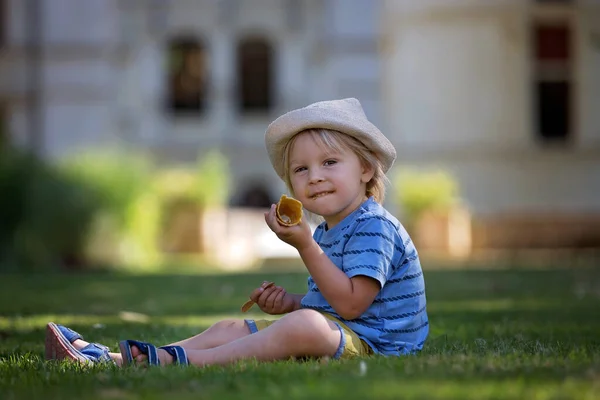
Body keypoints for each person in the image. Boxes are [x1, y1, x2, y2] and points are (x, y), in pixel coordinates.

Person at [45, 97, 429, 367]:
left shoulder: (373, 226)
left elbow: (351, 306)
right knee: (231, 326)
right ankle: (119, 358)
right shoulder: (334, 227)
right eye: (301, 169)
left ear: (366, 169)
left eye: (330, 162)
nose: (315, 177)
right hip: (347, 330)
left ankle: (175, 363)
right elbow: (338, 301)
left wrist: (304, 246)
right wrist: (294, 301)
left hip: (380, 346)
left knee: (305, 327)